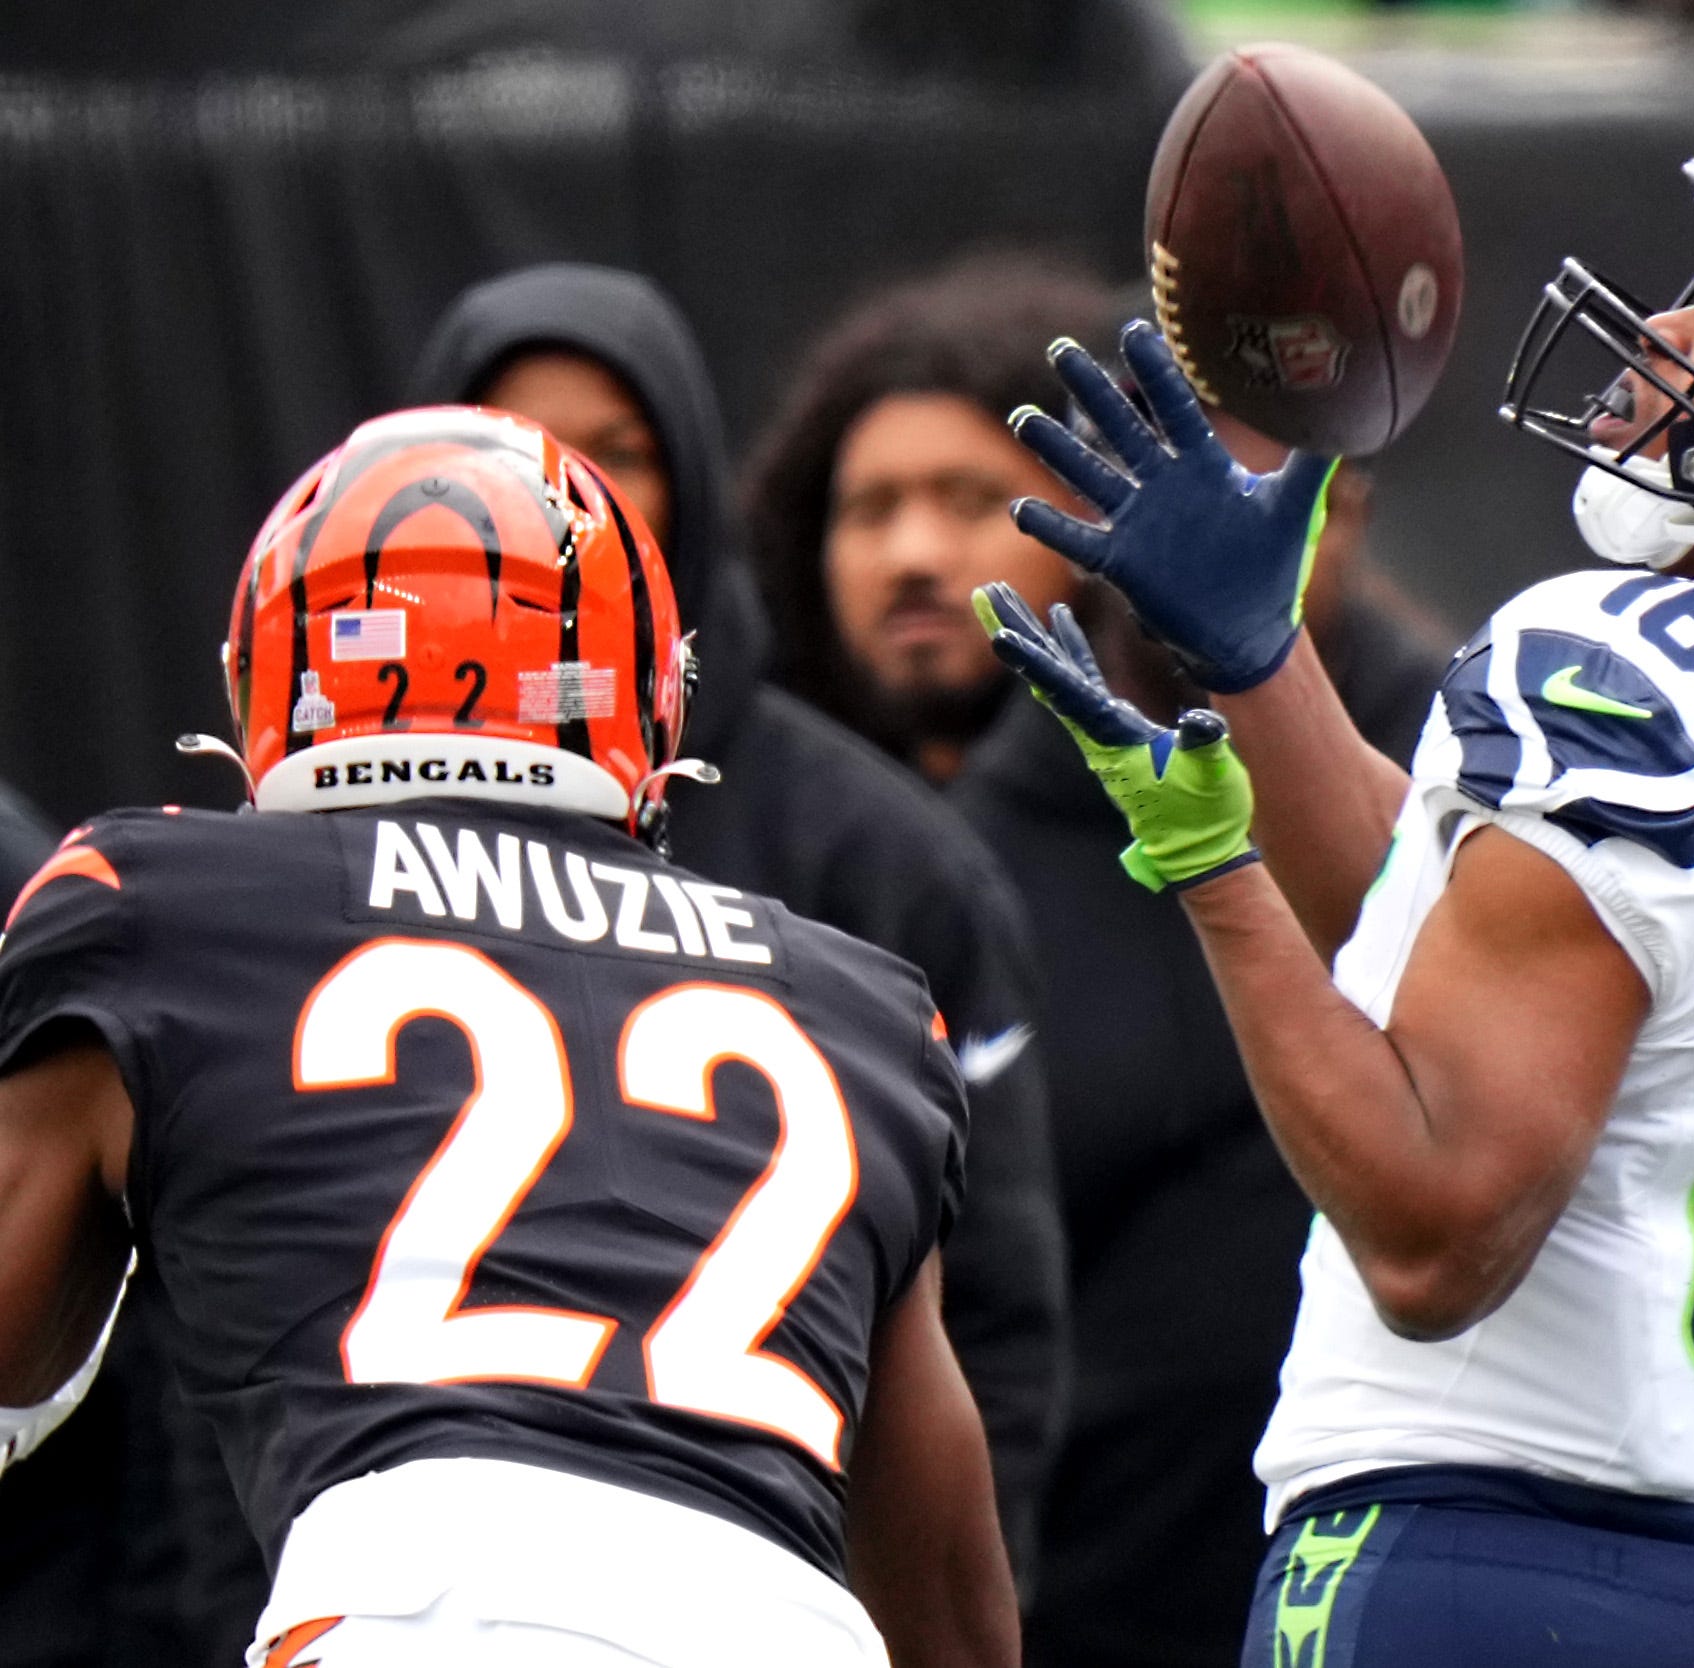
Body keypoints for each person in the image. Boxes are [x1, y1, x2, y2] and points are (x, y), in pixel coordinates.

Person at [983, 116, 1694, 1666]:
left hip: (1475, 1563)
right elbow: (1459, 940)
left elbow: (1433, 1243)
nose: (1672, 334)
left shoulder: (1606, 665)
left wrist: (1214, 874)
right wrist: (1260, 669)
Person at [0, 408, 1017, 1667]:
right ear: (648, 689)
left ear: (270, 673)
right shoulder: (863, 1004)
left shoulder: (150, 902)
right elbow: (954, 1610)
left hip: (414, 1609)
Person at [744, 254, 1452, 1667]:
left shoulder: (1469, 771)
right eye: (869, 507)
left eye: (961, 499)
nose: (913, 557)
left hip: (1403, 1578)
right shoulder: (916, 873)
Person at [407, 264, 1068, 1589]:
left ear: (692, 490)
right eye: (510, 450)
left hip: (767, 1588)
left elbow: (990, 1322)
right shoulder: (339, 845)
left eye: (615, 454)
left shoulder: (881, 862)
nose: (559, 497)